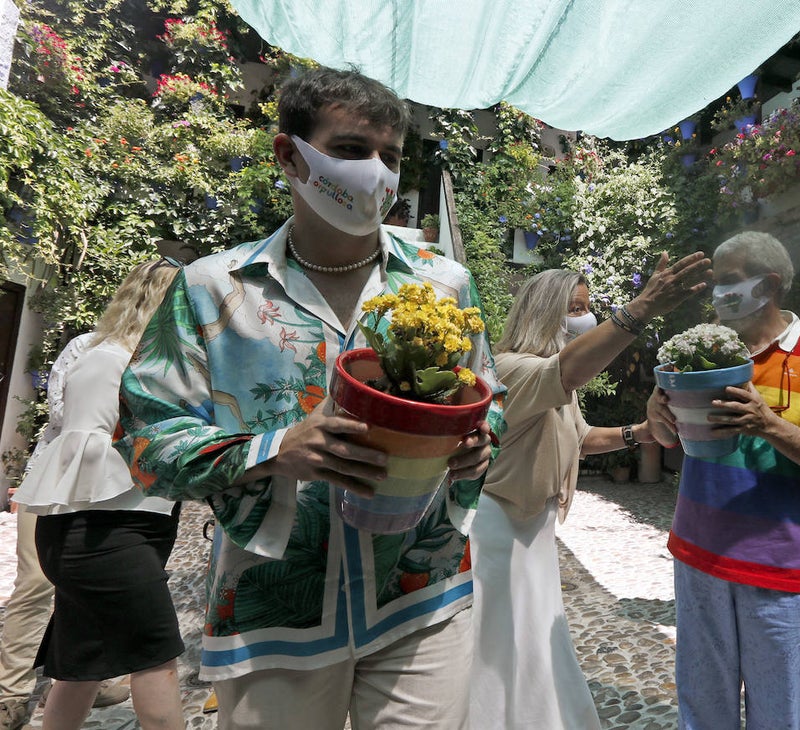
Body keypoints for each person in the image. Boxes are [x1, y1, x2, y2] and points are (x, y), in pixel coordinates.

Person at [115, 67, 501, 730]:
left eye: (391, 157)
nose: (376, 173)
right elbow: (145, 442)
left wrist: (474, 443)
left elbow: (485, 398)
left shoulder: (445, 285)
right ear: (289, 154)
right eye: (352, 150)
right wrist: (275, 450)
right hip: (273, 612)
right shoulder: (214, 290)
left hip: (421, 592)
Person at [470, 257, 710, 729]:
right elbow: (571, 371)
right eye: (574, 307)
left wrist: (640, 431)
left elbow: (577, 438)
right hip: (497, 531)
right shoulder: (514, 368)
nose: (584, 317)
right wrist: (642, 308)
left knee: (534, 646)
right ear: (542, 312)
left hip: (533, 529)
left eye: (586, 306)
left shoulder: (552, 381)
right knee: (497, 649)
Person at [647, 231, 800, 730]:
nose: (717, 293)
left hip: (780, 562)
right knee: (702, 711)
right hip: (699, 553)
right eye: (715, 282)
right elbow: (670, 439)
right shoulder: (701, 350)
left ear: (770, 284)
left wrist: (769, 424)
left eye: (728, 281)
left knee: (778, 714)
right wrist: (658, 412)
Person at [14, 259, 184, 730]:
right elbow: (92, 444)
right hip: (106, 532)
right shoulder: (118, 362)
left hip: (96, 530)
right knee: (157, 662)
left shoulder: (117, 358)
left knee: (80, 666)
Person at [0, 336, 131, 730]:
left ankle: (91, 676)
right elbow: (61, 412)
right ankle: (11, 694)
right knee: (36, 582)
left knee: (97, 584)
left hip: (113, 486)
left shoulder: (161, 352)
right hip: (54, 476)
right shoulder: (86, 346)